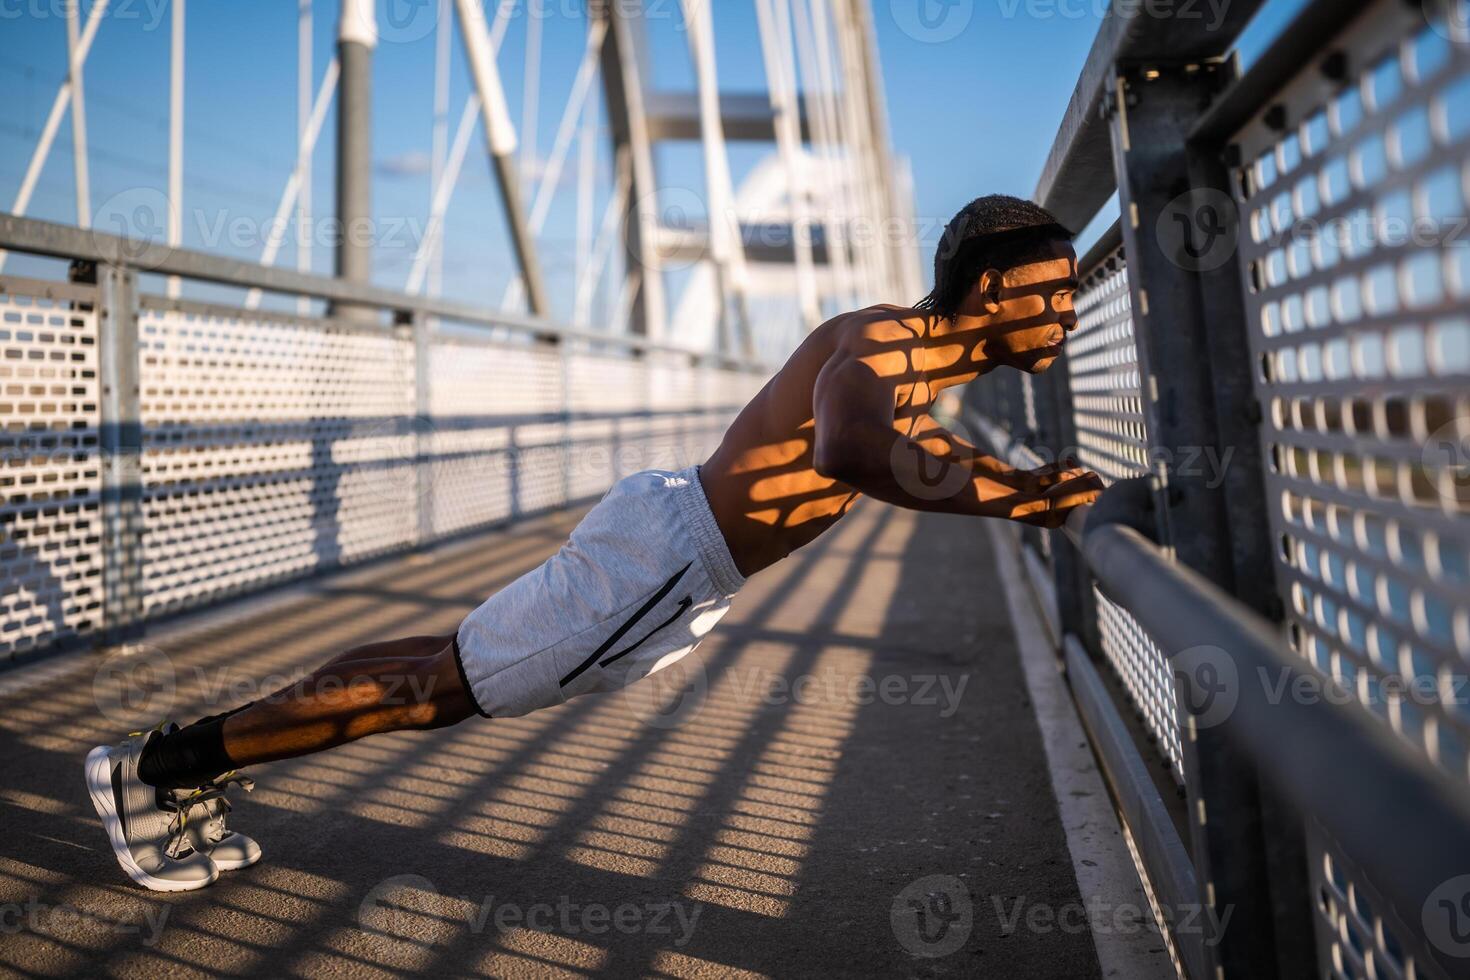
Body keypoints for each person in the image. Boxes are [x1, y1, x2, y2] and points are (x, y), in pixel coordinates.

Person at [85, 195, 1103, 891]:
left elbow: (912, 448)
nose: (1065, 308)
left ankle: (184, 761)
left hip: (667, 534)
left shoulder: (907, 353)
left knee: (438, 666)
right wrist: (1022, 504)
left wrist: (1027, 484)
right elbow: (852, 444)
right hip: (665, 560)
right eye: (1050, 289)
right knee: (435, 690)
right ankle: (161, 765)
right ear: (986, 288)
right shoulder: (889, 343)